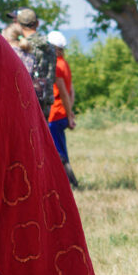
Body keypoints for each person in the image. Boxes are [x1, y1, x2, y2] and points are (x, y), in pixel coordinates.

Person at [8, 7, 57, 120]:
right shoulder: (50, 45)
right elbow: (53, 76)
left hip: (29, 100)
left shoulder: (24, 47)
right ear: (37, 23)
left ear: (18, 25)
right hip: (47, 98)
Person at [47, 29, 78, 189]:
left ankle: (69, 183)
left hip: (55, 113)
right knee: (60, 149)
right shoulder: (64, 63)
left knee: (59, 153)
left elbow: (64, 93)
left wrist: (68, 114)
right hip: (63, 113)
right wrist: (70, 112)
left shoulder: (56, 66)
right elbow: (71, 90)